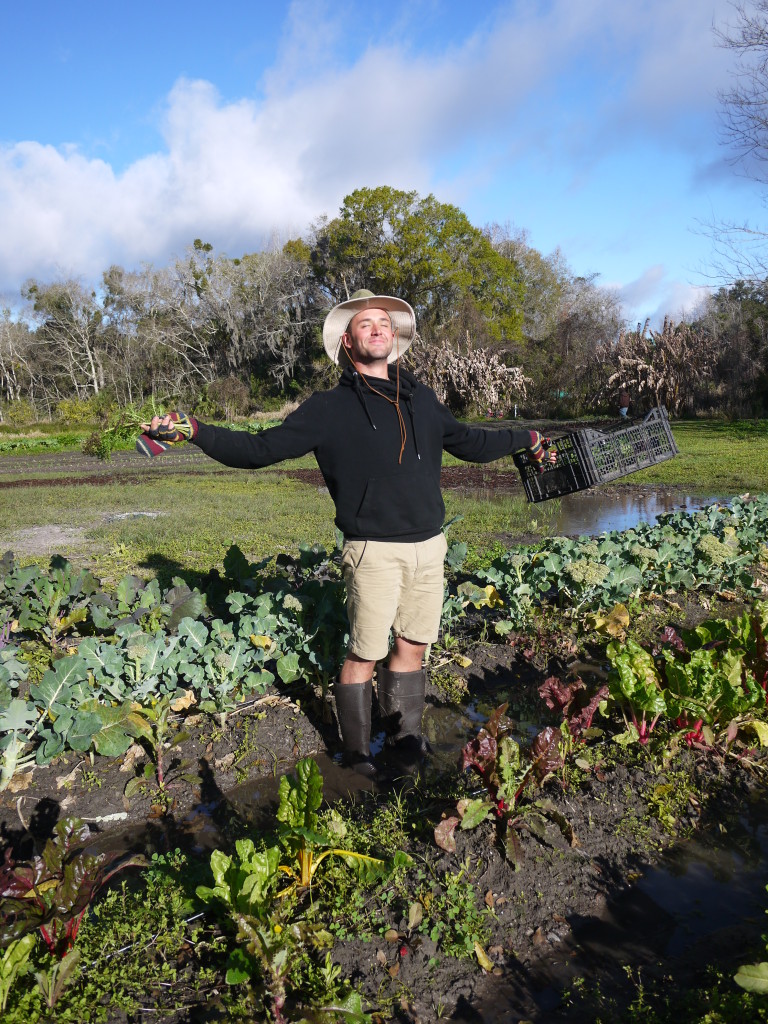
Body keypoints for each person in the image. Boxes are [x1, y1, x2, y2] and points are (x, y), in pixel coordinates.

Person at [138, 289, 555, 778]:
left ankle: (404, 742)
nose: (377, 328)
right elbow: (259, 449)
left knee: (414, 646)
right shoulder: (329, 408)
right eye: (365, 324)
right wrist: (196, 429)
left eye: (383, 322)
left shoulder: (420, 398)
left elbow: (468, 440)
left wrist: (525, 438)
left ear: (394, 337)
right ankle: (357, 757)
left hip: (428, 545)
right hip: (373, 550)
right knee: (365, 652)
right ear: (347, 342)